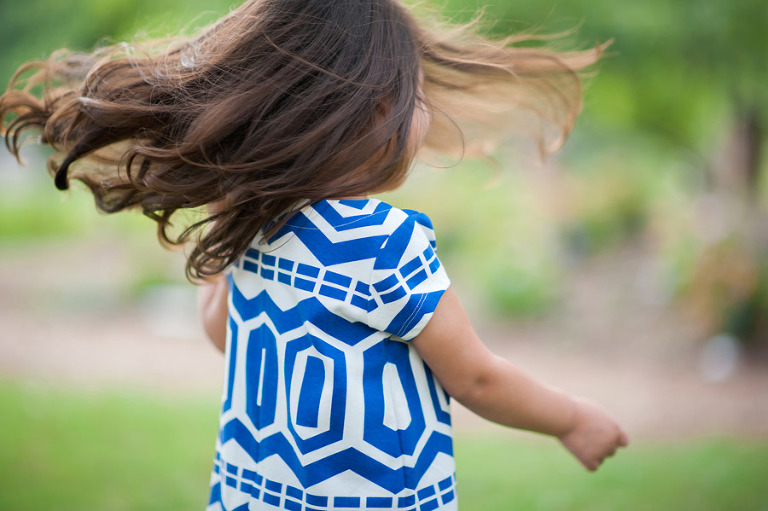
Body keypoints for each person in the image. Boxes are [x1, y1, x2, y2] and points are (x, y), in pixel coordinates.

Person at [0, 0, 627, 509]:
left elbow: (224, 332)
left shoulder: (254, 220)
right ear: (380, 109)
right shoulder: (386, 241)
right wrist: (571, 419)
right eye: (419, 97)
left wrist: (225, 212)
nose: (426, 114)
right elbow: (476, 376)